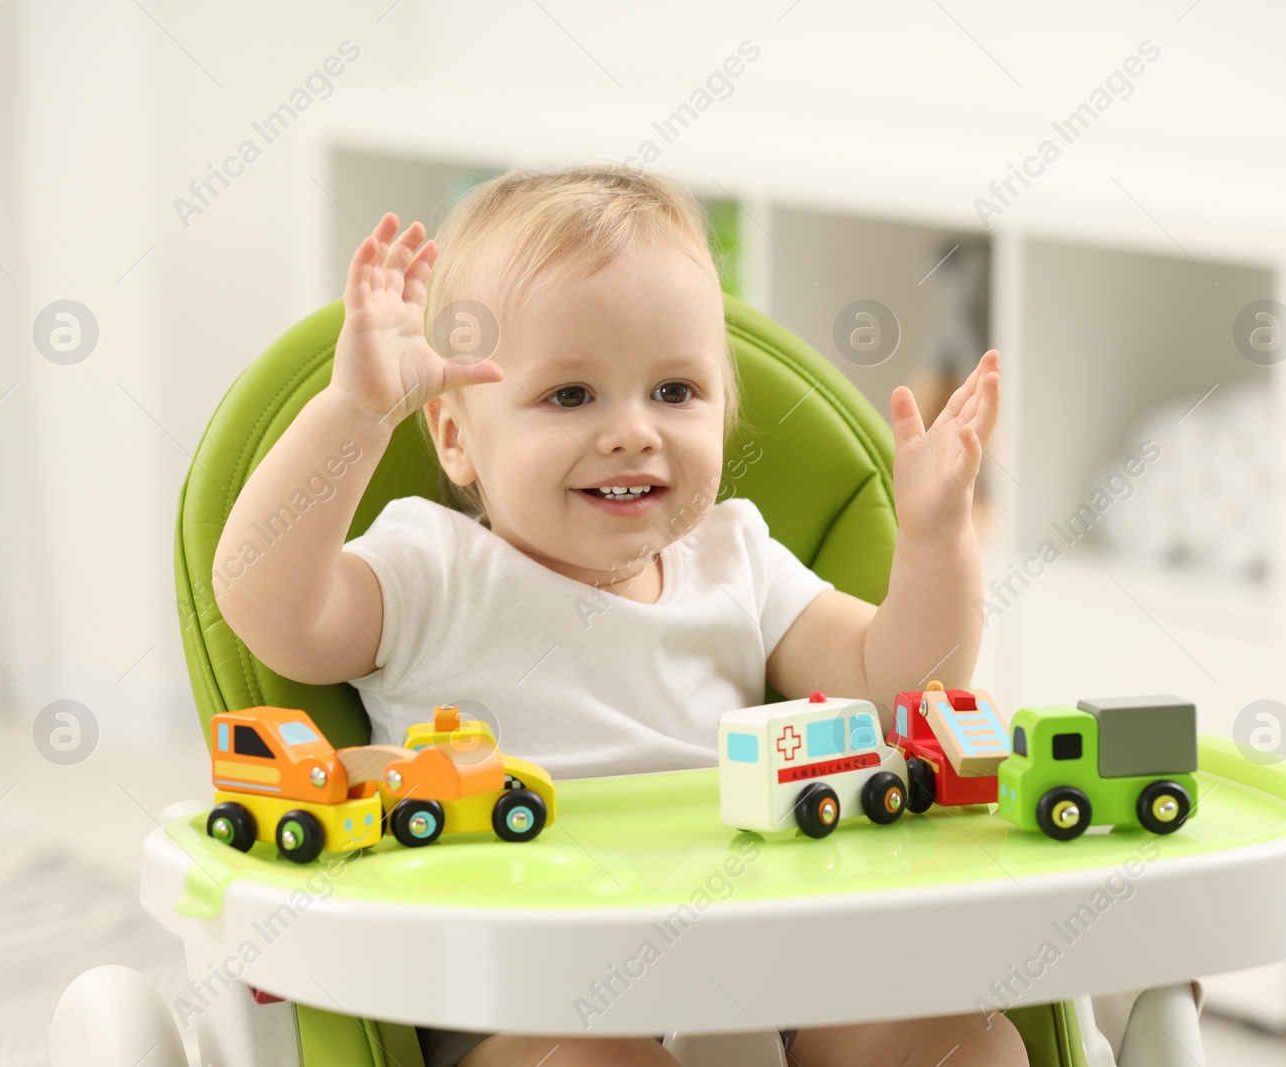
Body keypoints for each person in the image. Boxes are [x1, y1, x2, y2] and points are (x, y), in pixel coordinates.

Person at [213, 164, 1017, 1067]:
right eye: (570, 395)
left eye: (675, 392)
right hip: (517, 994)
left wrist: (938, 539)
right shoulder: (432, 568)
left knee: (960, 1040)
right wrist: (356, 414)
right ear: (454, 437)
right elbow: (261, 600)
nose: (633, 430)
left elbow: (905, 687)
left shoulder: (737, 560)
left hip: (765, 963)